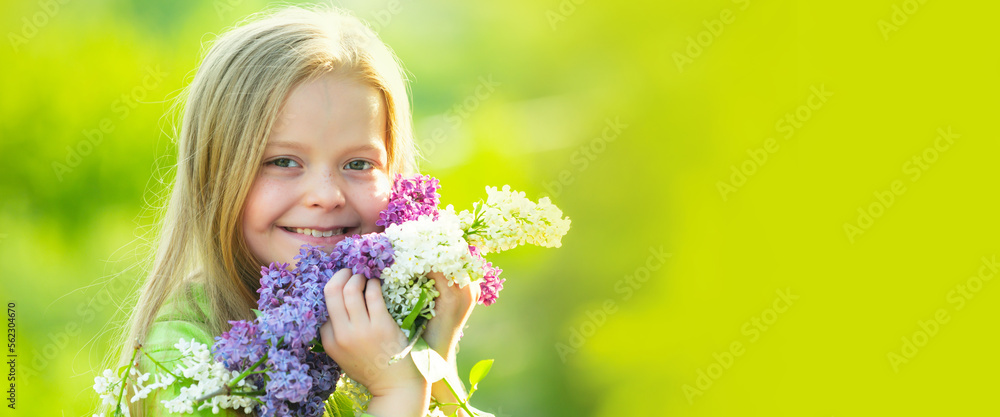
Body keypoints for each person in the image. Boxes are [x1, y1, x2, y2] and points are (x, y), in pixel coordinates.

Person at [99, 5, 479, 417]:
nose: (327, 195)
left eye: (358, 164)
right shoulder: (185, 362)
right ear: (215, 176)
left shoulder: (377, 320)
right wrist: (396, 393)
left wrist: (433, 361)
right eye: (283, 161)